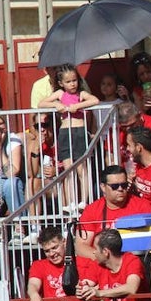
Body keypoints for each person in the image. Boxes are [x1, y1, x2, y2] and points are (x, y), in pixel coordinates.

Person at [38, 65, 99, 206]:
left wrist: (78, 106)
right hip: (65, 133)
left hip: (79, 132)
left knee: (81, 168)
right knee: (68, 168)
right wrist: (56, 104)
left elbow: (95, 100)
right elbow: (41, 103)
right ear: (61, 83)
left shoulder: (81, 94)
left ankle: (84, 201)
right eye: (68, 81)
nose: (72, 84)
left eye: (74, 80)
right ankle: (71, 202)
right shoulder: (59, 94)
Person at [75, 165, 151, 257]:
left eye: (124, 185)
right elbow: (81, 246)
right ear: (103, 187)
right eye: (115, 186)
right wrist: (104, 258)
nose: (120, 189)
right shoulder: (91, 210)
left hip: (134, 261)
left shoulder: (141, 206)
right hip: (101, 262)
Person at [76, 228, 151, 301]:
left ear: (105, 252)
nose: (93, 252)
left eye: (95, 248)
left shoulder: (132, 261)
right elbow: (89, 284)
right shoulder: (98, 264)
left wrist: (99, 293)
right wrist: (83, 289)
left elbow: (131, 288)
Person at [26, 225, 97, 301]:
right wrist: (34, 294)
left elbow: (95, 291)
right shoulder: (38, 265)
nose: (51, 254)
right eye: (47, 251)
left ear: (64, 242)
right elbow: (33, 284)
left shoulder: (86, 263)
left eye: (54, 247)